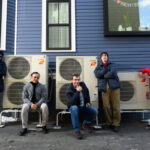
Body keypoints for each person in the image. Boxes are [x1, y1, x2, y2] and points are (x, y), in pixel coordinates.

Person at [94, 51, 121, 132]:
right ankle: (109, 122)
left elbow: (113, 73)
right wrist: (105, 70)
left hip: (114, 87)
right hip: (104, 88)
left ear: (107, 57)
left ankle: (116, 123)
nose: (104, 57)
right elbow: (97, 75)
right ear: (101, 58)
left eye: (105, 56)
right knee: (106, 106)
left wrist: (103, 75)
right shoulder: (99, 66)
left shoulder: (113, 64)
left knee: (116, 106)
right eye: (103, 56)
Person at [66, 74, 98, 139]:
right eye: (75, 80)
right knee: (74, 108)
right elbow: (71, 102)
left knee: (95, 111)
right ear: (72, 80)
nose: (77, 81)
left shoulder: (82, 84)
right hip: (75, 107)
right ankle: (77, 130)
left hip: (83, 106)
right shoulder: (69, 90)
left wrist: (88, 102)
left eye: (78, 80)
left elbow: (87, 92)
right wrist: (77, 92)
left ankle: (86, 124)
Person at [19, 72, 49, 136]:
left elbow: (44, 97)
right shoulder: (26, 86)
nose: (36, 78)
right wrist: (31, 104)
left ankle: (44, 126)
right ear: (31, 77)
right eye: (35, 77)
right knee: (24, 107)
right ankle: (24, 128)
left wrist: (37, 104)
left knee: (45, 106)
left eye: (37, 77)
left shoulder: (42, 86)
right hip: (29, 103)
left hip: (39, 103)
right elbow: (24, 97)